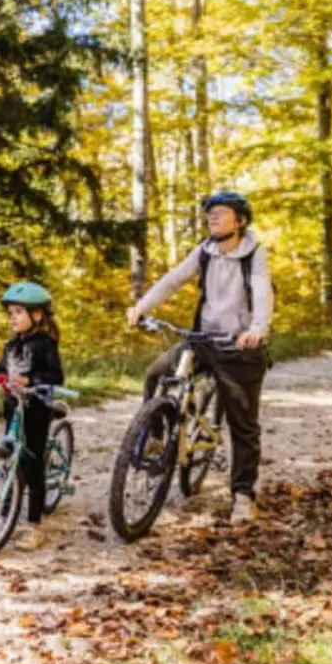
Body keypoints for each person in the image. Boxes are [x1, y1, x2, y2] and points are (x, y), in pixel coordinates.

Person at [127, 190, 274, 524]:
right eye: (210, 213)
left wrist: (258, 329)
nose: (213, 217)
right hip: (204, 339)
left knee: (243, 426)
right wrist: (141, 307)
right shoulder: (205, 251)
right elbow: (174, 279)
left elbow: (263, 293)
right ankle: (157, 437)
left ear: (240, 221)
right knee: (155, 375)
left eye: (221, 213)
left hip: (240, 347)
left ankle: (242, 495)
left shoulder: (254, 255)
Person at [0, 282, 64, 551]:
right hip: (14, 408)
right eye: (10, 312)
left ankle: (35, 524)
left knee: (32, 463)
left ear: (37, 316)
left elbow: (55, 376)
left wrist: (31, 379)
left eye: (18, 312)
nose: (12, 317)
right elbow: (4, 371)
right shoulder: (11, 345)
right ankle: (8, 505)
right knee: (11, 452)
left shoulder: (45, 344)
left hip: (36, 408)